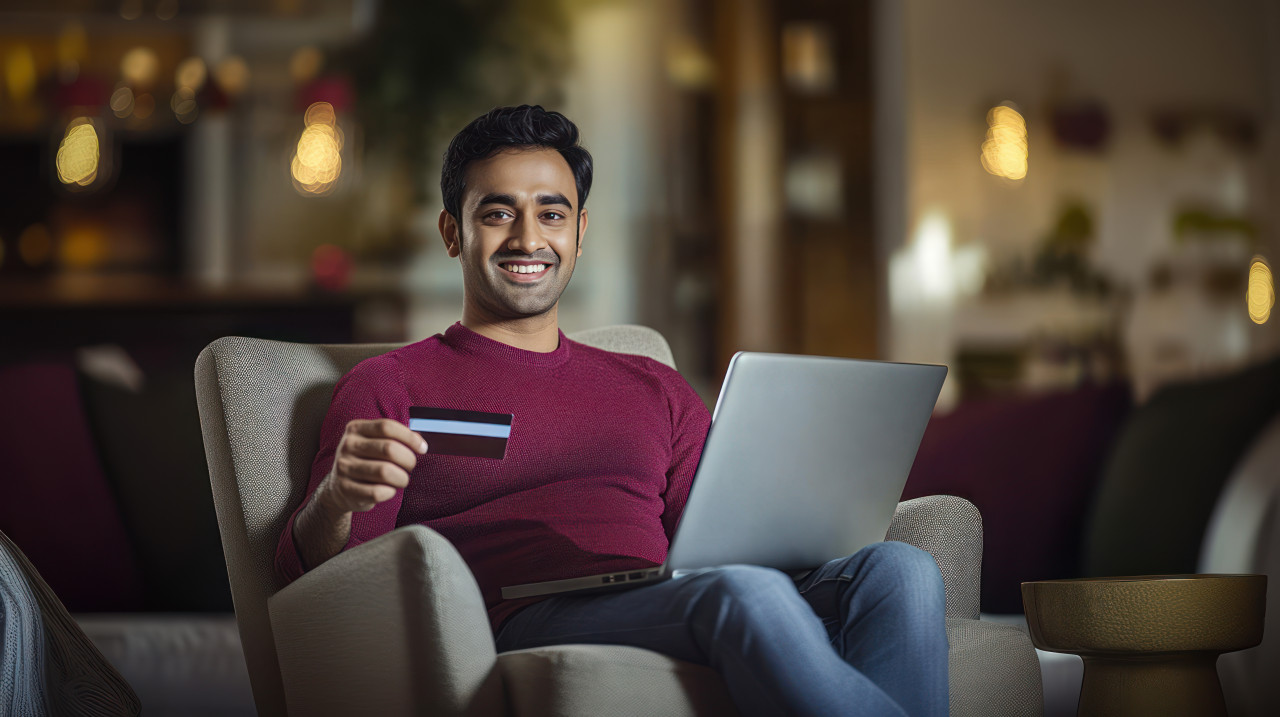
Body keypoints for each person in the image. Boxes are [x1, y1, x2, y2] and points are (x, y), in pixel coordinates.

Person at [276, 105, 948, 717]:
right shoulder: (390, 384)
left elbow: (715, 544)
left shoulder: (655, 387)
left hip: (663, 597)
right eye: (498, 213)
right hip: (524, 612)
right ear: (453, 232)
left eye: (552, 214)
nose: (528, 238)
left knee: (901, 570)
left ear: (580, 230)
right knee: (745, 593)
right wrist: (335, 499)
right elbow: (315, 582)